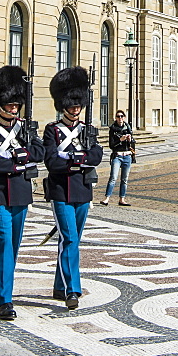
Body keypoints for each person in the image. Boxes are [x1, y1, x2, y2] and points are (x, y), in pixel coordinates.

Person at [0, 65, 44, 321]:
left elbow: (39, 154)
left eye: (17, 102)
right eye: (9, 102)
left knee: (14, 246)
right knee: (4, 242)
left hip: (21, 193)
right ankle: (4, 299)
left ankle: (6, 288)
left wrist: (19, 157)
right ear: (1, 104)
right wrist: (21, 161)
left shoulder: (26, 130)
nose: (14, 106)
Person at [43, 66, 103, 310]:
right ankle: (72, 289)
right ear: (63, 104)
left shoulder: (87, 130)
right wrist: (78, 159)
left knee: (74, 239)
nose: (75, 108)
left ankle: (59, 285)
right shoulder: (52, 130)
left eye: (78, 104)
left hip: (82, 189)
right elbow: (51, 161)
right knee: (69, 239)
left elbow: (97, 155)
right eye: (71, 104)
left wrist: (77, 158)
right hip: (60, 191)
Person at [100, 110, 136, 207]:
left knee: (124, 179)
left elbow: (133, 144)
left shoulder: (128, 128)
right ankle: (106, 198)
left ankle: (122, 199)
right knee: (113, 177)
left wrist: (130, 140)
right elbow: (111, 145)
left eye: (121, 116)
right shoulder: (112, 129)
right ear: (115, 118)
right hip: (117, 156)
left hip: (127, 156)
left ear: (124, 117)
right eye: (118, 116)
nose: (120, 118)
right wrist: (120, 140)